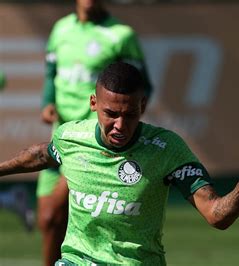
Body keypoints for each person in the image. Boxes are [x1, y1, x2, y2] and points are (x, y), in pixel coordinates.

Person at [0, 62, 239, 265]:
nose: (120, 125)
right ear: (94, 103)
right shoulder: (71, 137)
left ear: (142, 106)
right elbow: (42, 154)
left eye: (129, 115)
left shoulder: (167, 149)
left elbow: (216, 215)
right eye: (111, 114)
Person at [37, 0, 152, 264]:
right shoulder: (61, 29)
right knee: (48, 220)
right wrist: (47, 103)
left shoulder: (121, 35)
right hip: (61, 136)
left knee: (54, 212)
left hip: (91, 143)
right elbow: (51, 73)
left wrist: (121, 125)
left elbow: (145, 87)